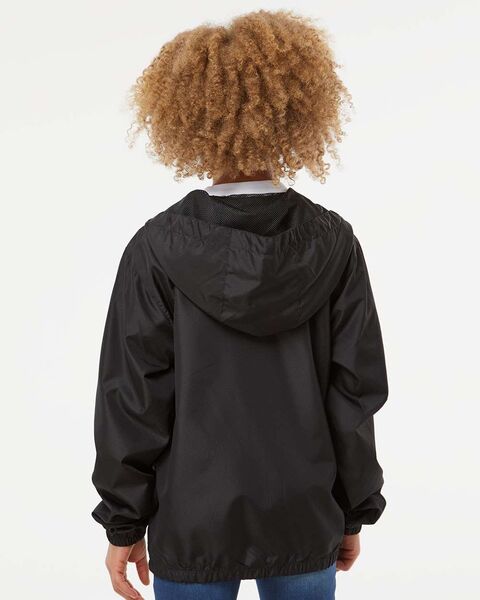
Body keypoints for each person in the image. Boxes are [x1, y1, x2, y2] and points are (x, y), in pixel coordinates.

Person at [90, 9, 389, 600]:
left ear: (188, 117)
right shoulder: (334, 243)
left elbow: (132, 398)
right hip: (304, 515)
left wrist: (124, 523)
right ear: (297, 112)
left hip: (191, 523)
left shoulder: (157, 247)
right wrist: (353, 510)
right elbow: (354, 392)